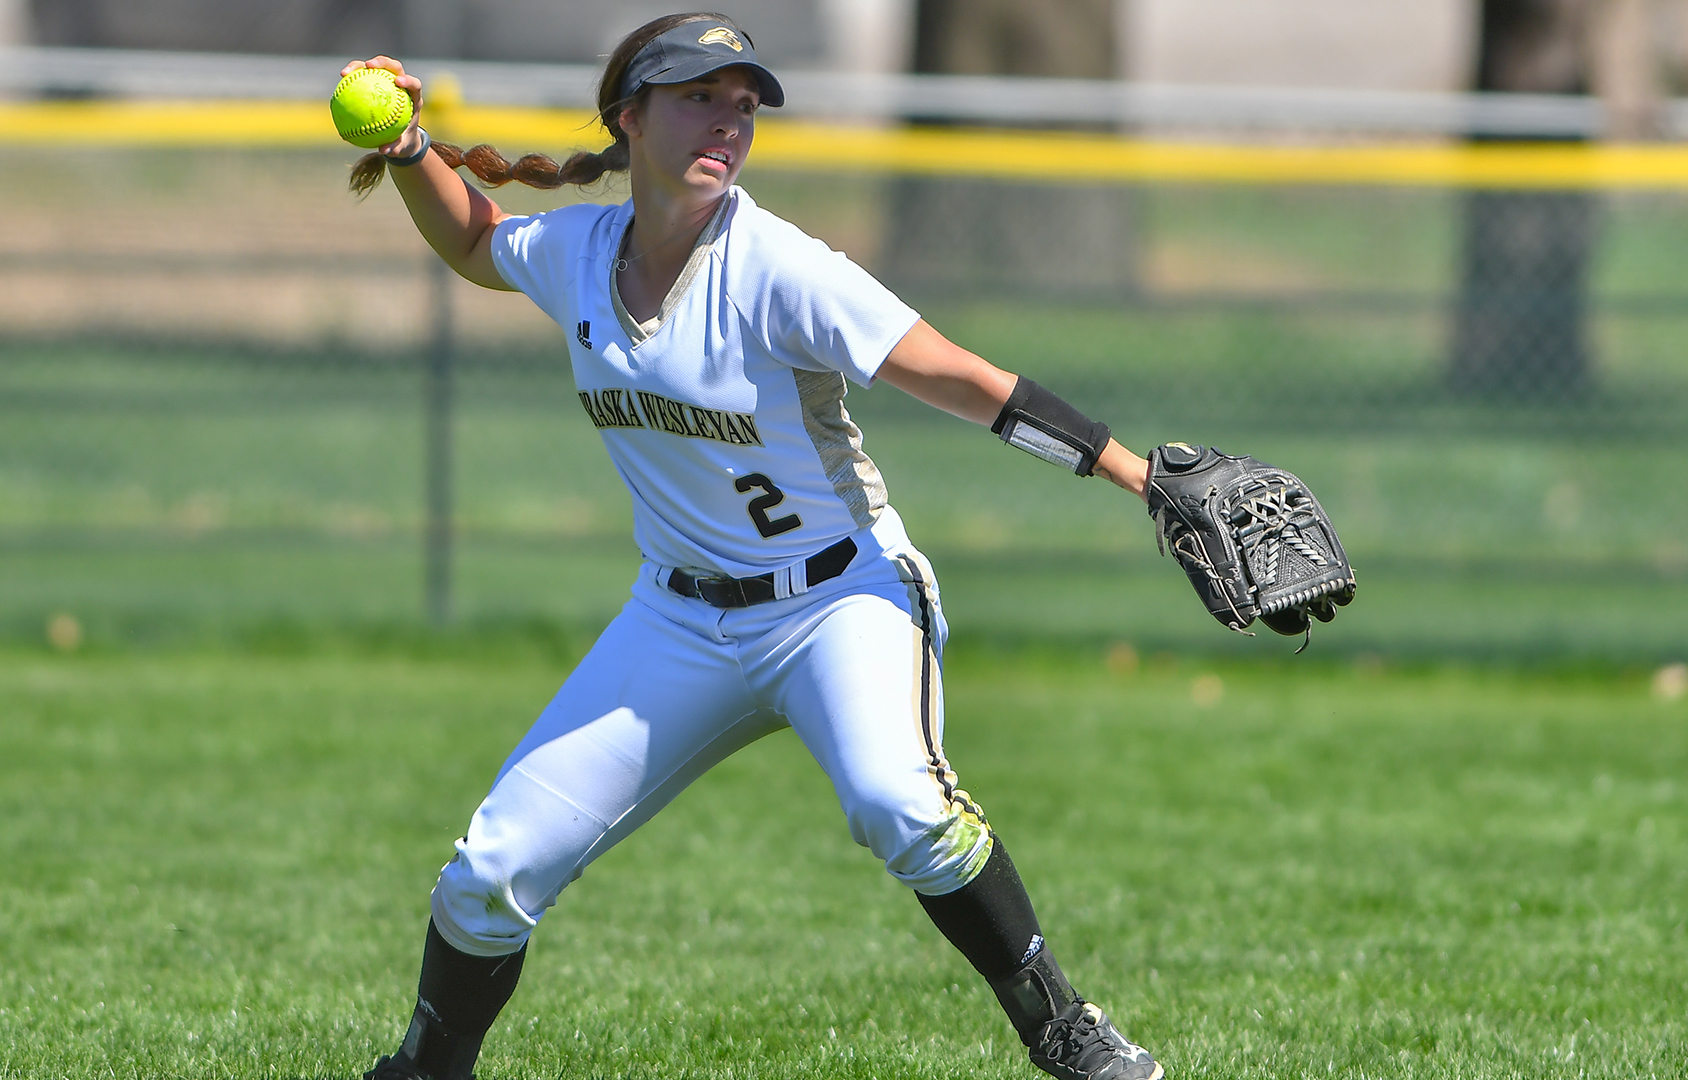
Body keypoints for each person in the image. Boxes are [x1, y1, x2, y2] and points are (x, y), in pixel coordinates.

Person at [342, 13, 1163, 1080]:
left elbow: (960, 376)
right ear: (628, 118)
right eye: (699, 97)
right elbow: (472, 241)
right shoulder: (581, 255)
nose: (729, 121)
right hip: (679, 615)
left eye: (744, 103)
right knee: (490, 872)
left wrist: (1136, 475)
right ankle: (422, 1068)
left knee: (900, 803)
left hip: (843, 601)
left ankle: (1066, 1028)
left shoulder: (781, 269)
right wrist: (408, 150)